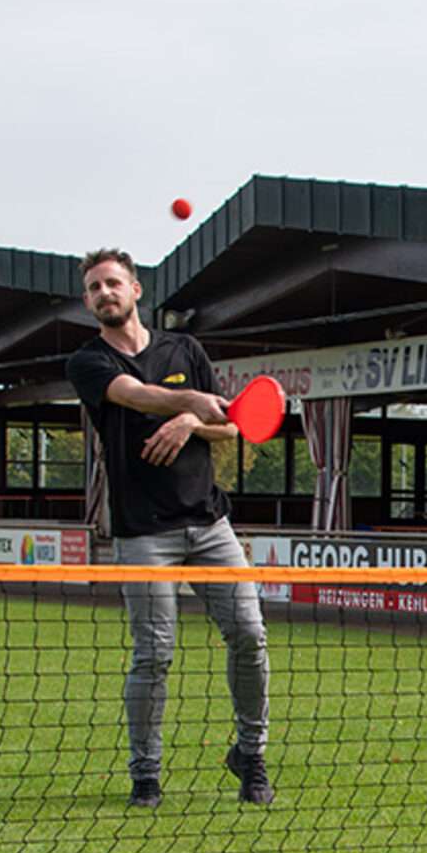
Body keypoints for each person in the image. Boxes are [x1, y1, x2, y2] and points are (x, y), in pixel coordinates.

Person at [66, 248, 272, 807]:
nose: (104, 293)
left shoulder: (186, 349)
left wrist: (189, 421)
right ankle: (146, 777)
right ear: (89, 302)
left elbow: (228, 429)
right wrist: (187, 403)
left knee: (250, 636)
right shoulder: (88, 362)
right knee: (153, 655)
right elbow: (135, 396)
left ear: (136, 290)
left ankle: (250, 755)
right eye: (93, 288)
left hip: (209, 523)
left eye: (113, 283)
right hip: (142, 533)